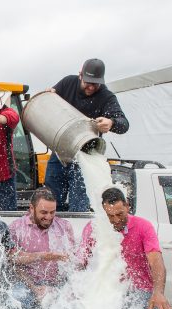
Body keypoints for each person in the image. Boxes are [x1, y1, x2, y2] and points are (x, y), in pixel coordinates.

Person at [45, 59, 129, 212]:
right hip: (60, 151)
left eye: (95, 84)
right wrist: (48, 95)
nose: (91, 87)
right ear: (80, 75)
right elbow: (51, 97)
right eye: (88, 82)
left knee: (79, 205)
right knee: (50, 199)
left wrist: (111, 122)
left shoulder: (106, 97)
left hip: (86, 156)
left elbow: (124, 124)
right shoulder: (67, 83)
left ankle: (77, 232)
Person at [9, 187, 75, 304]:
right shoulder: (16, 227)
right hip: (27, 284)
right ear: (31, 208)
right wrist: (43, 256)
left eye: (52, 212)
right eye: (43, 212)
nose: (49, 217)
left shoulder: (64, 226)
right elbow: (13, 260)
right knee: (16, 299)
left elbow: (73, 262)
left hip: (57, 283)